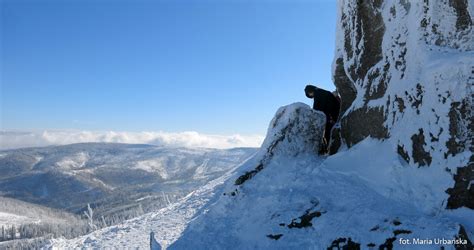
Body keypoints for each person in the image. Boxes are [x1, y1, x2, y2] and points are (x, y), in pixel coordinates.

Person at [304, 84, 341, 153]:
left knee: (328, 131)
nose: (310, 95)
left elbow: (317, 109)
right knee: (328, 131)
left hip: (331, 114)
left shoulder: (318, 94)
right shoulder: (321, 92)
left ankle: (327, 149)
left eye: (309, 93)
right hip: (334, 112)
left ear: (310, 90)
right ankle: (327, 148)